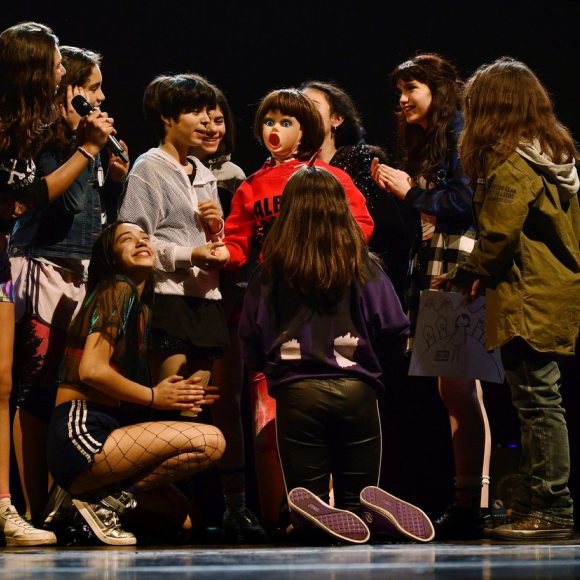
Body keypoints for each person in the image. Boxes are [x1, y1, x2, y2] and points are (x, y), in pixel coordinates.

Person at [239, 165, 433, 544]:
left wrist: (264, 365)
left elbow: (250, 334)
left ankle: (308, 520)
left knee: (307, 503)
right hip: (357, 391)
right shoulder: (364, 267)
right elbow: (395, 328)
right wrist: (377, 367)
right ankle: (369, 514)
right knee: (355, 501)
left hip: (297, 394)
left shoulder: (270, 273)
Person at [223, 87, 374, 534]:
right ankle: (282, 514)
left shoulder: (329, 178)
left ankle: (334, 511)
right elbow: (237, 245)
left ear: (306, 129)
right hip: (275, 307)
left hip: (326, 307)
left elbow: (362, 226)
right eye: (269, 121)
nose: (275, 129)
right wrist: (216, 248)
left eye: (286, 122)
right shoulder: (250, 185)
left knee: (325, 414)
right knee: (269, 420)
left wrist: (323, 261)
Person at [450, 57, 580, 540]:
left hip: (529, 293)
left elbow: (500, 235)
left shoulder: (510, 159)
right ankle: (533, 500)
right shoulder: (552, 153)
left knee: (538, 401)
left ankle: (552, 507)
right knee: (538, 398)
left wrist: (467, 276)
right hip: (553, 289)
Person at [0, 21, 113, 546]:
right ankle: (28, 504)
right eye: (63, 70)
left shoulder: (41, 131)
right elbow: (48, 199)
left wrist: (102, 162)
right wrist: (85, 150)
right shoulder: (34, 134)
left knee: (19, 387)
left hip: (38, 264)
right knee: (24, 388)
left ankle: (26, 507)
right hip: (37, 267)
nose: (95, 95)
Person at [371, 53, 491, 539]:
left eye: (411, 89)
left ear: (438, 91)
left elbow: (464, 204)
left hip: (457, 264)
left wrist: (409, 192)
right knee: (457, 386)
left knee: (459, 385)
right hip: (438, 261)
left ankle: (471, 502)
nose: (402, 100)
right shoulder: (434, 138)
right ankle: (471, 499)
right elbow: (425, 221)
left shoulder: (459, 132)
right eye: (399, 91)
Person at [45, 221, 225, 545]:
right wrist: (156, 396)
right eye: (127, 239)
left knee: (183, 520)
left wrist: (179, 397)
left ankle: (86, 500)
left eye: (145, 237)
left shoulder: (140, 306)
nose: (141, 241)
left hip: (105, 430)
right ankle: (95, 500)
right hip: (81, 432)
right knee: (211, 441)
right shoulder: (117, 287)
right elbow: (92, 371)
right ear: (110, 257)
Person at [188, 83, 267, 542]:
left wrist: (218, 232)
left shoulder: (236, 175)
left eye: (218, 119)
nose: (211, 126)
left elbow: (246, 245)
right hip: (182, 298)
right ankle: (183, 504)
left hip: (228, 299)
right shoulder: (163, 168)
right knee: (188, 400)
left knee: (227, 402)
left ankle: (235, 505)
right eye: (202, 118)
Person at [300, 80, 414, 304]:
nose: (302, 112)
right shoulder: (289, 166)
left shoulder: (362, 158)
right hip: (304, 276)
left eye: (311, 105)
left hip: (354, 279)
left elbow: (376, 226)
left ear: (337, 119)